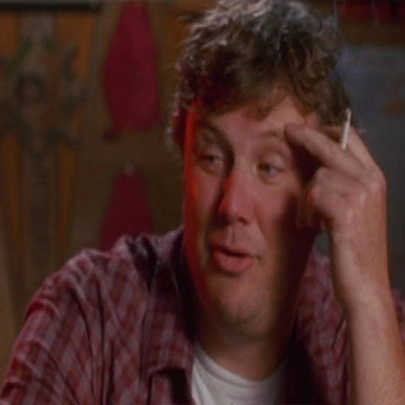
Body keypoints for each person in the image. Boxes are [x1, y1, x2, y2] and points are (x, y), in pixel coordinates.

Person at [2, 0, 405, 404]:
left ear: (320, 189)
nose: (232, 207)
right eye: (212, 158)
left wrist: (370, 304)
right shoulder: (90, 314)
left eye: (269, 167)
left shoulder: (377, 336)